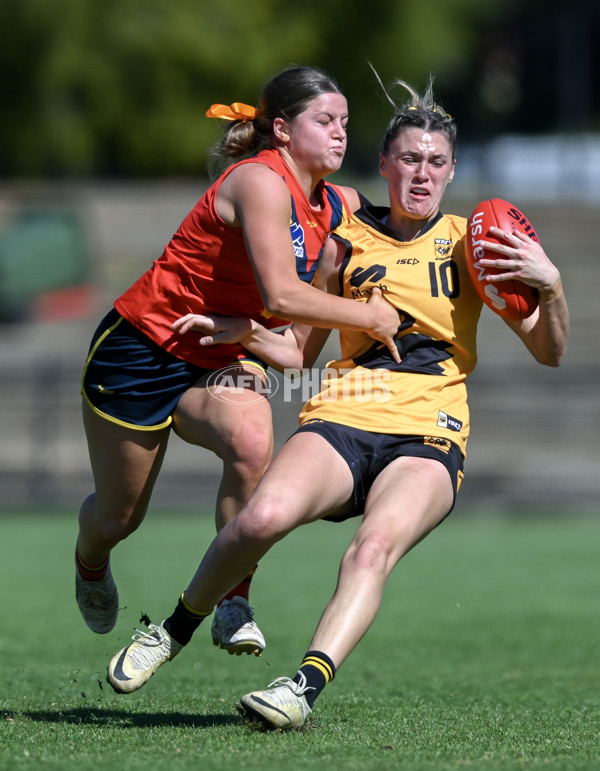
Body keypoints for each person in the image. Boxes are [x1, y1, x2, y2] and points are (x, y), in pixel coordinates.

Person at [105, 76, 568, 729]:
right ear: (384, 164)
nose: (422, 172)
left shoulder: (474, 243)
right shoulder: (347, 237)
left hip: (429, 429)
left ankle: (300, 688)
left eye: (436, 162)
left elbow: (549, 350)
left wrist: (549, 288)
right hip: (345, 415)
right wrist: (244, 331)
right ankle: (173, 629)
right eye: (408, 158)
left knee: (371, 547)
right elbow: (298, 353)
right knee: (261, 517)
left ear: (452, 170)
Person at [75, 65, 400, 658]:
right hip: (140, 350)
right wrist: (371, 319)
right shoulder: (259, 182)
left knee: (253, 442)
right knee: (119, 520)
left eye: (345, 123)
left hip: (223, 349)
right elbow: (280, 296)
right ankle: (90, 561)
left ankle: (232, 599)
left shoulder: (336, 202)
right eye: (324, 121)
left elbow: (402, 232)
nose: (340, 134)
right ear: (281, 128)